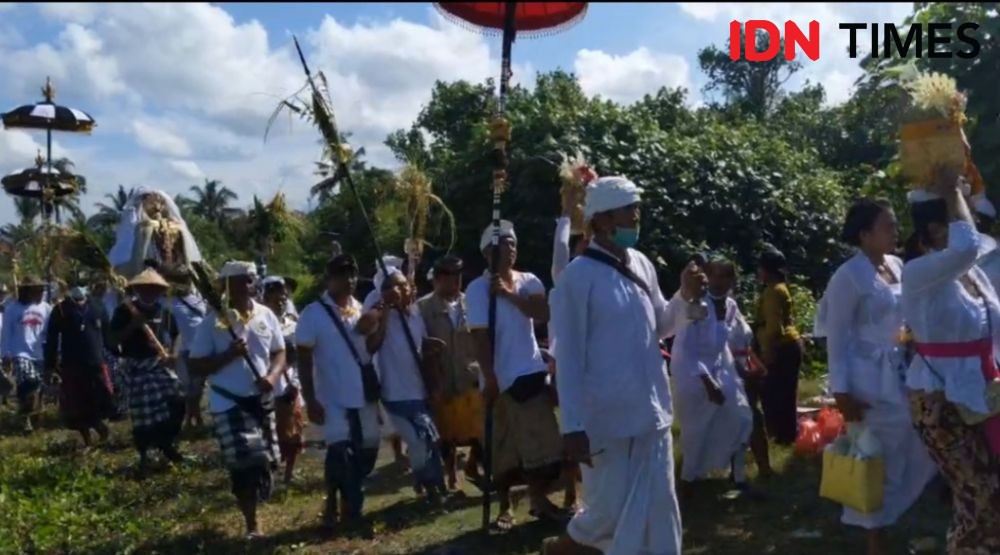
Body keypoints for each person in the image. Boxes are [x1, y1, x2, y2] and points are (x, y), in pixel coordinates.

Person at [544, 175, 706, 555]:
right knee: (606, 513)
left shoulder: (643, 264)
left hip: (652, 414)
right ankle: (560, 549)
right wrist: (573, 426)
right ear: (600, 220)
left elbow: (662, 325)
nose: (637, 217)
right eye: (628, 210)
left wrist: (684, 296)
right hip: (606, 419)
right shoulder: (577, 278)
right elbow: (567, 357)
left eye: (637, 209)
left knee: (660, 510)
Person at [823, 198, 937, 555]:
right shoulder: (848, 276)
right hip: (867, 379)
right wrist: (841, 391)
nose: (895, 231)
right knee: (876, 455)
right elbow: (836, 338)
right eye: (887, 226)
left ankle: (891, 514)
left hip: (902, 371)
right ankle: (876, 539)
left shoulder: (898, 266)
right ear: (865, 234)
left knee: (916, 447)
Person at [902, 169, 1000, 554]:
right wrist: (950, 191)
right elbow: (966, 247)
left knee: (989, 495)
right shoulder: (918, 273)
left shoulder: (975, 276)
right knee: (981, 499)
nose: (968, 226)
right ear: (934, 229)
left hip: (981, 393)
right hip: (939, 401)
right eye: (957, 219)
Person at [467, 219, 566, 530]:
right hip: (498, 379)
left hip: (529, 373)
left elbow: (542, 313)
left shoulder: (529, 280)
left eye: (511, 244)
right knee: (505, 452)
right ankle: (504, 505)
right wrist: (489, 376)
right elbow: (480, 337)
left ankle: (537, 499)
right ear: (487, 253)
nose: (508, 250)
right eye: (500, 245)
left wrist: (509, 294)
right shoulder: (477, 289)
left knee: (544, 446)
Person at [188, 261, 286, 540]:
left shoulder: (265, 315)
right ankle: (252, 525)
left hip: (261, 398)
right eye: (242, 280)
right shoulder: (212, 323)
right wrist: (228, 355)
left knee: (267, 460)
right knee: (246, 466)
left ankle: (258, 496)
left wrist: (273, 375)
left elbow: (279, 352)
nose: (248, 285)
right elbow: (195, 365)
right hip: (229, 403)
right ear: (227, 286)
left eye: (251, 280)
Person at [297, 255, 381, 536]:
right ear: (328, 278)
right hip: (332, 398)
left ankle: (338, 498)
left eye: (352, 274)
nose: (349, 280)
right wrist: (310, 399)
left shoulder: (361, 310)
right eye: (341, 274)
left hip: (363, 396)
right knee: (340, 455)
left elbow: (369, 350)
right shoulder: (313, 313)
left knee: (367, 452)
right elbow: (304, 359)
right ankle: (349, 510)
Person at [359, 264, 448, 505]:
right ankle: (430, 487)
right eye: (390, 286)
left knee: (429, 438)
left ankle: (433, 484)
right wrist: (386, 308)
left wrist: (430, 349)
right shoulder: (380, 314)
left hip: (419, 389)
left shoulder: (415, 313)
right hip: (395, 392)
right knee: (418, 441)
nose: (398, 289)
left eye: (401, 284)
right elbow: (371, 344)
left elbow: (420, 347)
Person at [670, 257, 756, 499]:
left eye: (725, 276)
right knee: (696, 432)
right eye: (715, 275)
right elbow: (688, 348)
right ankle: (687, 483)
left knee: (742, 419)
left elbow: (734, 341)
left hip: (721, 370)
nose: (719, 282)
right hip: (692, 374)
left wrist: (741, 368)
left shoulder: (730, 306)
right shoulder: (697, 305)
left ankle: (739, 478)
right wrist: (707, 382)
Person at [418, 255, 486, 491]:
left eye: (457, 276)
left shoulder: (472, 303)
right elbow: (419, 346)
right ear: (436, 280)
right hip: (442, 376)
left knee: (479, 431)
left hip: (471, 376)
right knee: (446, 434)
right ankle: (451, 475)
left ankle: (472, 465)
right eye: (447, 276)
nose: (454, 281)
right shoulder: (423, 308)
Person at [109, 268, 184, 474]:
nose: (150, 292)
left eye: (155, 289)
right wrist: (133, 325)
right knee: (143, 414)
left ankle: (166, 442)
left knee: (177, 400)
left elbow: (177, 334)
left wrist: (173, 354)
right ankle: (144, 456)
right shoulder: (124, 311)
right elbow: (113, 340)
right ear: (138, 289)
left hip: (158, 364)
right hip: (135, 366)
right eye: (146, 288)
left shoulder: (163, 310)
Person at [44, 278, 116, 446]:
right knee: (76, 407)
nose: (78, 288)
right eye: (75, 284)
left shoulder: (98, 306)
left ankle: (102, 430)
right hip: (72, 365)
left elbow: (108, 335)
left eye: (82, 283)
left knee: (100, 400)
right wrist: (50, 365)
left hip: (96, 362)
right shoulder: (60, 310)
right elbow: (52, 340)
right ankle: (87, 439)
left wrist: (117, 352)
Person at [753, 247, 803, 445]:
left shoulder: (773, 292)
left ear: (766, 270)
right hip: (789, 345)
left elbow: (774, 328)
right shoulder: (781, 288)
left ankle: (781, 435)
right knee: (786, 393)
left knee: (774, 394)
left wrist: (766, 349)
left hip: (781, 347)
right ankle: (787, 434)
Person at [261, 275, 306, 485]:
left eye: (283, 296)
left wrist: (296, 382)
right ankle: (270, 472)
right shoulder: (259, 324)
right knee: (271, 433)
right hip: (270, 385)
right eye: (275, 296)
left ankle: (289, 474)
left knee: (294, 432)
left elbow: (299, 357)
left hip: (291, 384)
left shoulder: (292, 325)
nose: (281, 300)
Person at [0, 276, 51, 433]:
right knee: (29, 381)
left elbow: (50, 332)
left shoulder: (46, 308)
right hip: (19, 352)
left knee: (38, 388)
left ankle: (30, 418)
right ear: (28, 291)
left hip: (40, 353)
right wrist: (5, 354)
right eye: (37, 289)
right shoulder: (13, 308)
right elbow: (6, 332)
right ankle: (27, 419)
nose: (41, 292)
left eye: (42, 289)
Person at [166, 265, 209, 429]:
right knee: (187, 388)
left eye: (185, 279)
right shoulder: (168, 303)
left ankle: (194, 418)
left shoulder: (199, 299)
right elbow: (169, 330)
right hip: (182, 351)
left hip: (200, 350)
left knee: (197, 388)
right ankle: (193, 420)